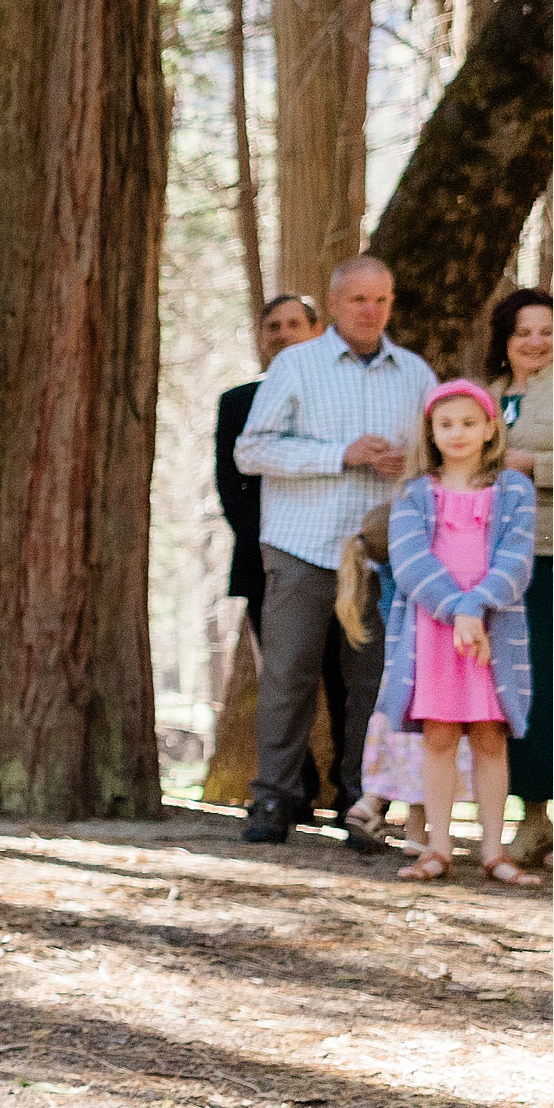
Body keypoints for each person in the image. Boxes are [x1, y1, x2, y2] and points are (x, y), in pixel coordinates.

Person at [235, 254, 437, 844]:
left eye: (382, 300)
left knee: (371, 683)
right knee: (289, 677)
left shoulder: (416, 375)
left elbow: (438, 453)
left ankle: (361, 802)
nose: (371, 311)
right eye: (358, 300)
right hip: (302, 545)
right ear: (336, 303)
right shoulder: (296, 366)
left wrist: (411, 465)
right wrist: (339, 454)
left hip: (381, 553)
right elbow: (251, 452)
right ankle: (273, 799)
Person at [378, 380, 538, 885]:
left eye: (470, 423)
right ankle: (437, 847)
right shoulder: (413, 493)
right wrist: (457, 610)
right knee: (440, 736)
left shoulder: (514, 489)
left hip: (494, 630)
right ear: (431, 430)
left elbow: (517, 558)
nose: (459, 433)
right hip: (434, 632)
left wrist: (477, 607)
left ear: (491, 427)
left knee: (492, 738)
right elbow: (409, 561)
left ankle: (493, 850)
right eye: (446, 424)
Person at [215, 294, 341, 825]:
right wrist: (271, 544)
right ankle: (291, 791)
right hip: (267, 560)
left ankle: (353, 793)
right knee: (284, 679)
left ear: (317, 331)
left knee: (344, 677)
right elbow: (231, 484)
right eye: (274, 326)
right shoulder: (239, 401)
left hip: (343, 553)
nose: (284, 333)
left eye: (295, 324)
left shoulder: (338, 396)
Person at [337, 503, 471, 850]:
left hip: (395, 687)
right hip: (426, 676)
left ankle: (371, 804)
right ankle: (414, 831)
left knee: (403, 750)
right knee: (427, 750)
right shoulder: (417, 577)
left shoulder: (384, 571)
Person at [486, 287, 552, 865]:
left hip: (553, 555)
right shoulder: (484, 397)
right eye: (523, 331)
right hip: (500, 566)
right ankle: (532, 817)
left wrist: (537, 465)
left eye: (546, 330)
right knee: (518, 692)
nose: (535, 342)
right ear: (504, 340)